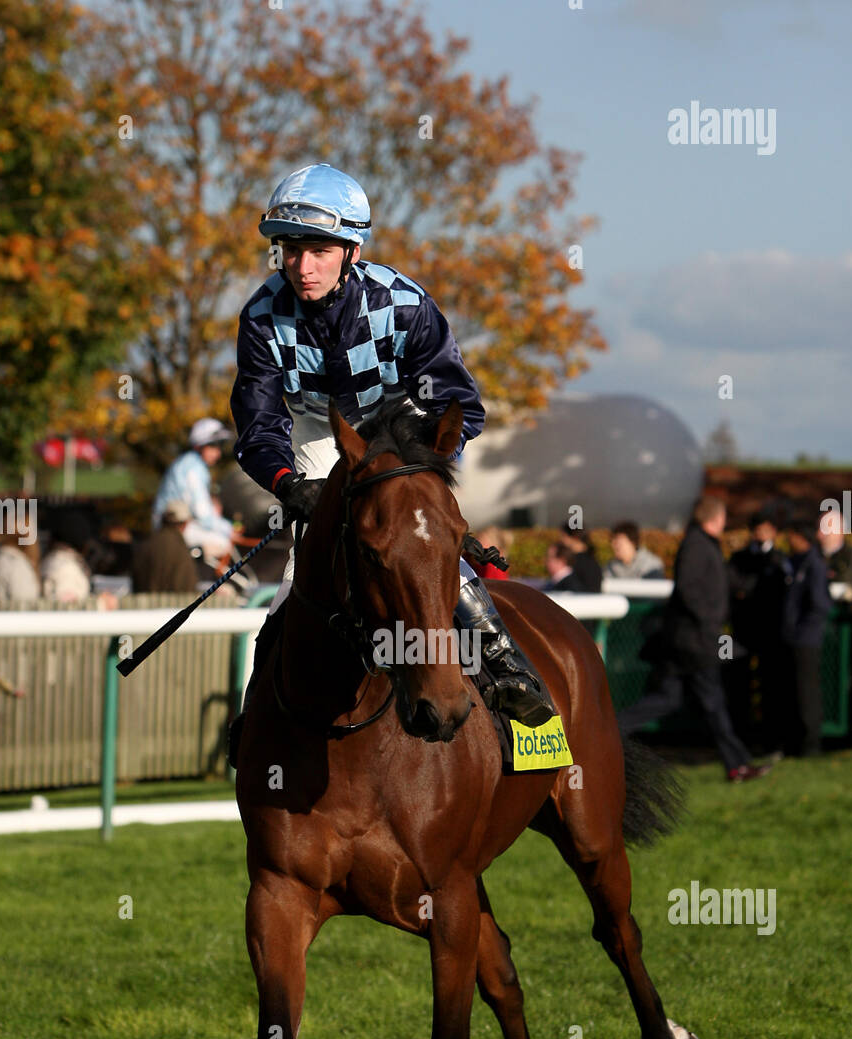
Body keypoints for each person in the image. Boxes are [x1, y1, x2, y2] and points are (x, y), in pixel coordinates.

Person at [227, 162, 552, 763]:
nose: (302, 267)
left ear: (352, 249)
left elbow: (459, 403)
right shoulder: (260, 316)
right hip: (317, 432)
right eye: (292, 249)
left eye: (319, 250)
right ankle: (259, 721)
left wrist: (418, 463)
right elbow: (257, 422)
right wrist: (287, 483)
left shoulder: (405, 305)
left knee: (416, 547)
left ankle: (508, 671)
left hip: (402, 431)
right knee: (300, 578)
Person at [617, 496, 770, 782]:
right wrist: (709, 622)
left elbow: (721, 582)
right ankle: (737, 765)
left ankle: (612, 730)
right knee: (713, 703)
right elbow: (689, 590)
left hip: (689, 639)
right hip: (695, 641)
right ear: (716, 519)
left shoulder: (701, 543)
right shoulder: (698, 545)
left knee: (668, 698)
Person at [727, 509, 791, 753]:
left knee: (771, 687)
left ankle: (770, 740)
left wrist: (749, 592)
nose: (762, 533)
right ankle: (740, 739)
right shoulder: (738, 558)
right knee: (737, 685)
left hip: (770, 634)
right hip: (739, 633)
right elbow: (734, 586)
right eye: (758, 528)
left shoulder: (780, 559)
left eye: (766, 528)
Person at [152, 419, 237, 562]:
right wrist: (229, 529)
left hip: (175, 526)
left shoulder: (189, 463)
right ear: (198, 446)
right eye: (212, 445)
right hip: (172, 529)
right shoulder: (193, 468)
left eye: (220, 446)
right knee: (223, 543)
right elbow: (202, 514)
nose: (218, 452)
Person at [782, 519, 832, 757]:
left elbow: (820, 604)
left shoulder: (814, 565)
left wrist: (801, 630)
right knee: (793, 692)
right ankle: (794, 745)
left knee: (806, 694)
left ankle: (811, 747)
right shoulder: (794, 562)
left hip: (806, 640)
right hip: (794, 638)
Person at [132, 500, 198, 594]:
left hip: (143, 606)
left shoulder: (146, 543)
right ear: (185, 524)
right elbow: (187, 587)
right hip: (172, 606)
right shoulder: (180, 549)